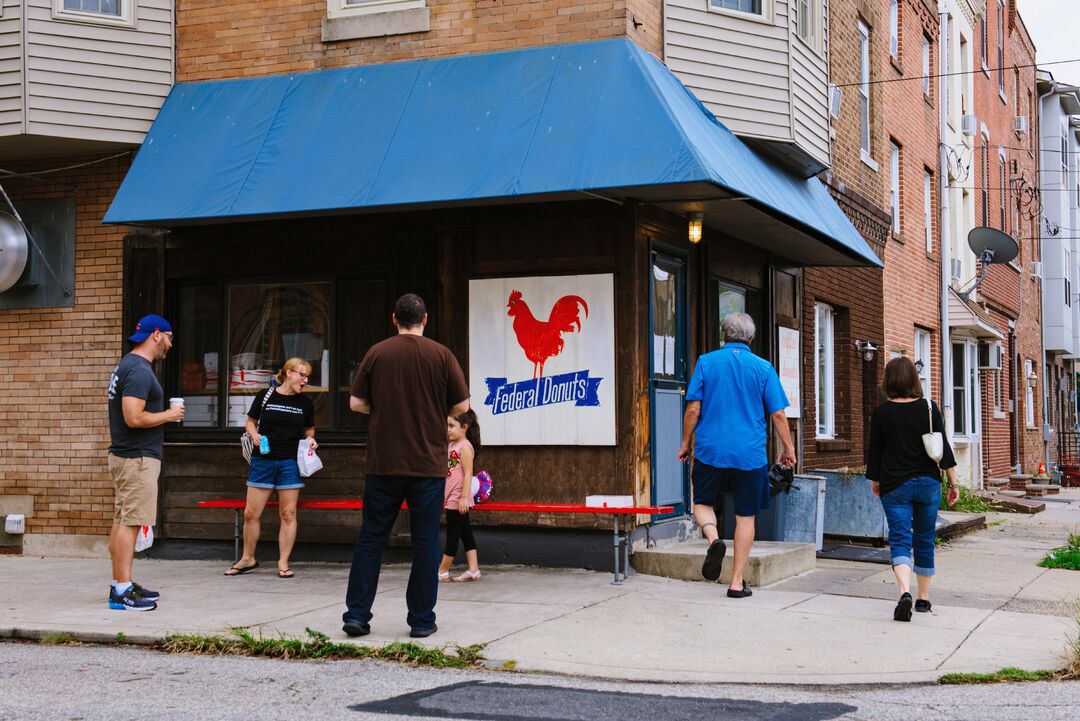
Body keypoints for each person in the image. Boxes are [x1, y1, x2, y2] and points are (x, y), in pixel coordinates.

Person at [343, 293, 470, 639]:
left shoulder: (377, 352)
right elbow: (462, 404)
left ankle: (356, 615)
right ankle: (421, 620)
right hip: (427, 464)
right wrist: (432, 413)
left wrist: (383, 410)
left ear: (394, 319)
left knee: (371, 537)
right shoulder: (441, 355)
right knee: (427, 542)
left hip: (383, 462)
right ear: (425, 319)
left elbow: (355, 403)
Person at [676, 313, 796, 598]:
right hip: (750, 456)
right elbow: (778, 413)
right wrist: (788, 449)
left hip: (710, 452)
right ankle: (736, 583)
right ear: (751, 339)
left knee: (702, 503)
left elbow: (693, 409)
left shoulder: (706, 362)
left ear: (723, 336)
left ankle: (714, 538)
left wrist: (684, 443)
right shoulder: (764, 368)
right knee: (746, 516)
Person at [866, 356, 959, 622]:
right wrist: (952, 483)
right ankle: (923, 599)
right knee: (924, 539)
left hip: (895, 485)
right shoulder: (929, 408)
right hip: (929, 483)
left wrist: (875, 479)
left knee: (900, 539)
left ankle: (904, 591)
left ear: (889, 381)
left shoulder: (882, 412)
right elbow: (944, 449)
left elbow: (876, 452)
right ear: (914, 380)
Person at [106, 314, 184, 611]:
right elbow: (133, 417)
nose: (170, 343)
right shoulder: (138, 370)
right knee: (131, 521)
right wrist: (169, 415)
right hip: (136, 457)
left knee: (123, 520)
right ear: (155, 335)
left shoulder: (128, 366)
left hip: (128, 455)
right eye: (169, 336)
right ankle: (122, 592)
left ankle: (120, 583)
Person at [225, 357, 317, 579]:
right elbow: (250, 421)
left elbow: (309, 429)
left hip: (290, 462)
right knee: (250, 513)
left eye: (307, 376)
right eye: (301, 374)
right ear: (288, 373)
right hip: (263, 460)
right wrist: (254, 433)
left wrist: (311, 439)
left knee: (288, 513)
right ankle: (248, 558)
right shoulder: (265, 396)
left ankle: (283, 562)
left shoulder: (305, 403)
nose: (305, 380)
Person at [438, 409, 482, 583]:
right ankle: (473, 569)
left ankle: (442, 571)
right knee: (466, 533)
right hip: (452, 497)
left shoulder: (465, 447)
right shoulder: (451, 445)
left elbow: (468, 473)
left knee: (452, 536)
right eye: (446, 425)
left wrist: (464, 498)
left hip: (458, 499)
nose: (447, 429)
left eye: (451, 426)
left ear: (464, 427)